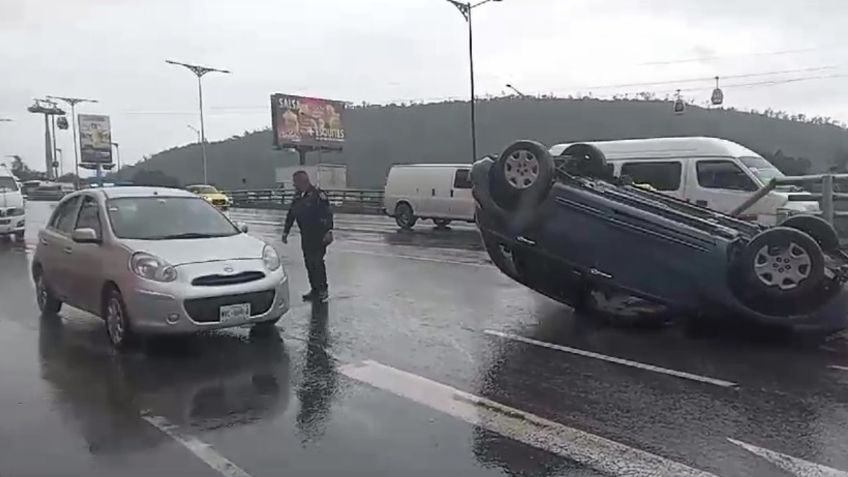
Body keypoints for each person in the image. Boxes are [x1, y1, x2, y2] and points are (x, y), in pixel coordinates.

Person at [282, 171, 334, 303]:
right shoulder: (298, 196)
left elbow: (327, 213)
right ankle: (314, 289)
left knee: (317, 262)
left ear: (303, 182)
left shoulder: (318, 195)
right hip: (306, 235)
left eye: (296, 183)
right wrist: (285, 231)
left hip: (319, 235)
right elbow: (291, 214)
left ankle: (323, 289)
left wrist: (328, 231)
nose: (294, 185)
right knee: (309, 263)